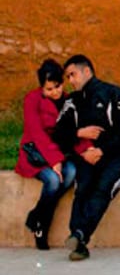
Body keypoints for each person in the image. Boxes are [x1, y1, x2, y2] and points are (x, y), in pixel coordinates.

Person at [55, 54, 120, 261]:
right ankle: (78, 239)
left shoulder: (117, 95)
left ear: (87, 71)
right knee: (82, 189)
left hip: (118, 155)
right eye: (68, 77)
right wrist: (78, 134)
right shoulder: (72, 101)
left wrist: (102, 151)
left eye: (73, 75)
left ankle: (79, 235)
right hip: (86, 155)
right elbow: (57, 134)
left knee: (103, 188)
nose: (70, 81)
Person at [16, 59, 77, 250]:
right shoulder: (32, 100)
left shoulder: (68, 101)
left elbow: (73, 130)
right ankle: (42, 227)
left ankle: (36, 217)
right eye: (49, 89)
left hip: (60, 152)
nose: (55, 92)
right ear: (41, 87)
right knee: (52, 180)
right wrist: (54, 161)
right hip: (36, 153)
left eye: (57, 86)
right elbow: (36, 132)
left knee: (72, 173)